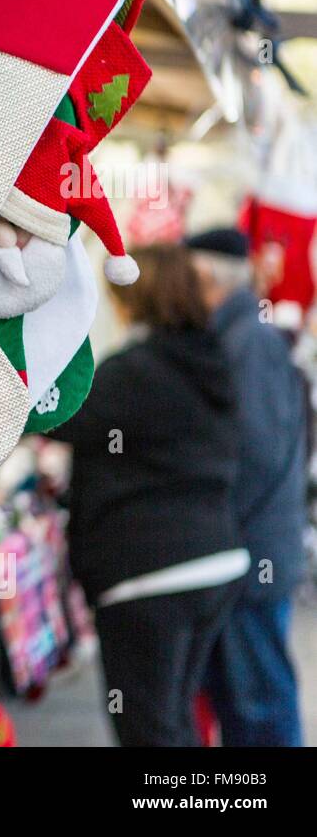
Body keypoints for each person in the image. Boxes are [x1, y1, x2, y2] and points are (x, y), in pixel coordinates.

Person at [52, 244, 248, 747]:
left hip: (149, 572)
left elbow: (57, 417)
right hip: (212, 561)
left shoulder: (137, 372)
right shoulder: (208, 362)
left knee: (149, 729)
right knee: (173, 719)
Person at [187, 228, 308, 747]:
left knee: (258, 705)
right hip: (250, 549)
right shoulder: (241, 335)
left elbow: (255, 453)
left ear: (206, 278)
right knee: (247, 702)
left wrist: (205, 521)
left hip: (249, 555)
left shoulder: (248, 342)